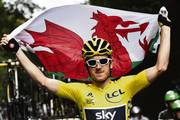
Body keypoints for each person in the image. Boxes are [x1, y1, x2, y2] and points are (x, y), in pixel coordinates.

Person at [0, 7, 171, 120]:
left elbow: (161, 67)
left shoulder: (128, 85)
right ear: (87, 66)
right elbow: (43, 80)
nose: (98, 66)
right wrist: (17, 50)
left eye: (103, 61)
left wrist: (166, 28)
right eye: (92, 62)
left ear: (111, 64)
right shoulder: (78, 90)